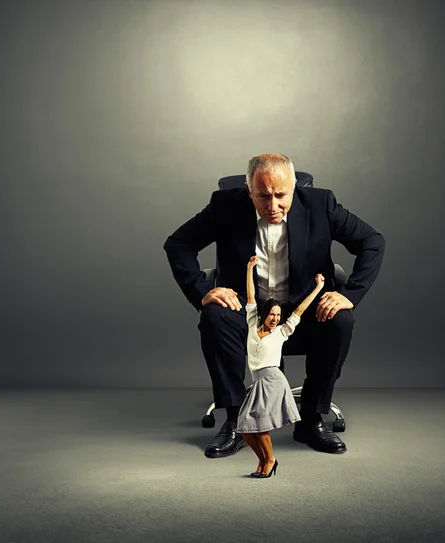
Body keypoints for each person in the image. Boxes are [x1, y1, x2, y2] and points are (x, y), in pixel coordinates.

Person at [164, 153, 385, 458]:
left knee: (341, 320)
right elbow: (178, 243)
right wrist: (201, 290)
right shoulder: (225, 207)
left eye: (281, 195)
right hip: (248, 314)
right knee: (214, 315)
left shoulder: (322, 205)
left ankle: (310, 420)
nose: (273, 206)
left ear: (295, 187)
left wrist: (351, 293)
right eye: (263, 196)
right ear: (247, 189)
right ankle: (237, 421)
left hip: (302, 313)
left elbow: (372, 241)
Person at [238, 256, 325, 478]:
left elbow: (301, 309)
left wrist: (319, 287)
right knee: (245, 428)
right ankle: (265, 460)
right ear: (265, 314)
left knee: (259, 426)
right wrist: (250, 269)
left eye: (278, 315)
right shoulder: (252, 323)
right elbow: (250, 295)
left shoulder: (282, 332)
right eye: (272, 314)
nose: (275, 318)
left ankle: (269, 461)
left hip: (272, 380)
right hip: (257, 381)